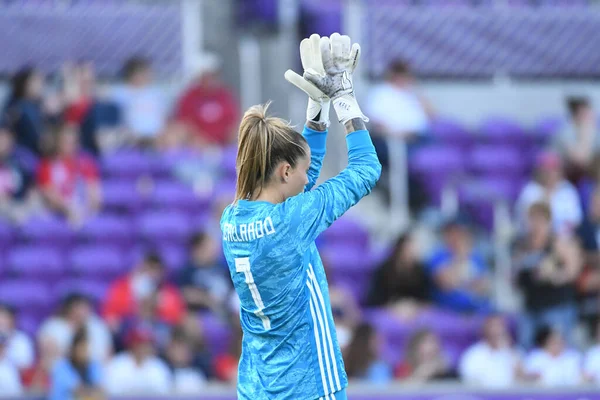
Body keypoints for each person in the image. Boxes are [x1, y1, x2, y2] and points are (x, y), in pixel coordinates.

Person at [221, 33, 381, 400]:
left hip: (259, 386)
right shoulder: (291, 220)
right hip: (308, 384)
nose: (310, 177)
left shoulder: (231, 219)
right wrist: (342, 96)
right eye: (304, 170)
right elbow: (367, 168)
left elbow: (300, 180)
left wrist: (316, 107)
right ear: (283, 172)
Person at [512, 202, 581, 349]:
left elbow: (573, 270)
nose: (535, 225)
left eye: (539, 220)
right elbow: (515, 276)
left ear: (548, 221)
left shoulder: (558, 243)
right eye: (532, 220)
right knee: (526, 348)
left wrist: (554, 276)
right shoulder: (522, 246)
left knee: (557, 350)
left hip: (555, 306)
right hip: (531, 306)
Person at [36, 122, 102, 226]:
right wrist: (69, 208)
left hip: (83, 213)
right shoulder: (47, 165)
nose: (70, 145)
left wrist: (86, 210)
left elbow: (94, 193)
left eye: (74, 141)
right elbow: (50, 195)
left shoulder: (87, 163)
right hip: (57, 215)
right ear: (58, 142)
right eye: (66, 141)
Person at [102, 253, 186, 332]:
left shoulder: (170, 292)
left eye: (157, 270)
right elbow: (111, 310)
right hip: (127, 326)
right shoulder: (123, 286)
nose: (153, 274)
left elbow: (176, 317)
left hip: (159, 329)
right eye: (150, 268)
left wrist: (157, 307)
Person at [174, 53, 239, 147]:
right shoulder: (190, 96)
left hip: (223, 140)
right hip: (197, 141)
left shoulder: (225, 95)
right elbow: (184, 121)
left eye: (214, 76)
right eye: (207, 76)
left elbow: (234, 120)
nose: (211, 79)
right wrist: (198, 137)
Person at [427, 217, 491, 313]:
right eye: (452, 232)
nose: (457, 236)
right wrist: (460, 258)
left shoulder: (476, 256)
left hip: (478, 308)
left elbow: (485, 287)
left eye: (460, 232)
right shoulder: (437, 256)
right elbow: (446, 284)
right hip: (448, 310)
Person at [516, 150, 582, 236]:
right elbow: (524, 222)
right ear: (540, 171)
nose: (550, 174)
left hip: (563, 239)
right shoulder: (530, 191)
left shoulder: (568, 190)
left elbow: (576, 220)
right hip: (535, 237)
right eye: (547, 170)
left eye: (554, 170)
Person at [366, 233, 429, 316]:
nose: (412, 253)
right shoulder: (384, 270)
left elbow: (423, 298)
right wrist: (393, 307)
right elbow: (376, 298)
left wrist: (413, 306)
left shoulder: (420, 271)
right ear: (399, 249)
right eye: (408, 249)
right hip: (387, 308)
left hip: (412, 310)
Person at [38, 293, 112, 362]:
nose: (83, 311)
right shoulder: (53, 327)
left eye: (85, 307)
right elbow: (50, 356)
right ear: (69, 308)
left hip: (94, 370)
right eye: (79, 307)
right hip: (62, 370)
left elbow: (108, 354)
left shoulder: (97, 326)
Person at [111, 57, 168, 146]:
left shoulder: (156, 94)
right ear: (132, 74)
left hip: (157, 138)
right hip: (132, 138)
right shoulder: (120, 93)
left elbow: (164, 117)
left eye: (147, 73)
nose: (146, 76)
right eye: (142, 73)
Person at [103, 324, 172, 395]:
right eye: (140, 343)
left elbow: (165, 393)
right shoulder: (117, 365)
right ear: (132, 344)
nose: (144, 347)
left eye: (147, 344)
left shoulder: (158, 367)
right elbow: (109, 392)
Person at [459, 314, 522, 388]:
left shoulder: (515, 352)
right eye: (493, 326)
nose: (498, 330)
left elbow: (523, 379)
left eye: (500, 326)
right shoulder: (473, 354)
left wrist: (510, 351)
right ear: (485, 329)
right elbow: (468, 382)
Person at [178, 232, 231, 314]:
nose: (214, 250)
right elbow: (185, 294)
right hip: (200, 314)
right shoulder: (188, 271)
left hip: (226, 312)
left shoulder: (222, 269)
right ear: (198, 249)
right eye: (209, 247)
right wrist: (206, 299)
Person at [0, 124, 40, 223]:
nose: (4, 143)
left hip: (16, 204)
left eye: (6, 139)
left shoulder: (18, 164)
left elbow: (29, 186)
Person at [2, 67, 47, 155]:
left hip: (36, 152)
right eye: (36, 81)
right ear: (25, 84)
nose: (40, 85)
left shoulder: (37, 105)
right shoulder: (18, 106)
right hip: (22, 153)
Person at [49, 329, 104, 400]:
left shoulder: (93, 365)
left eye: (86, 348)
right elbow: (77, 391)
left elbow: (101, 390)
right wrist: (92, 391)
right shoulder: (61, 367)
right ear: (74, 349)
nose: (85, 351)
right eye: (82, 348)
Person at [554, 96, 600, 178]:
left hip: (591, 174)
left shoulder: (595, 131)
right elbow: (580, 161)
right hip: (564, 174)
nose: (590, 116)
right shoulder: (565, 132)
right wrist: (585, 136)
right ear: (575, 115)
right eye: (584, 113)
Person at [164, 328, 207, 394]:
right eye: (177, 349)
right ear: (169, 351)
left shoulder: (196, 375)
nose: (181, 353)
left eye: (184, 349)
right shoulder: (161, 372)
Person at [0, 304, 34, 371]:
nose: (1, 321)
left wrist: (5, 348)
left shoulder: (22, 340)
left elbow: (26, 367)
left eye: (5, 318)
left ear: (13, 320)